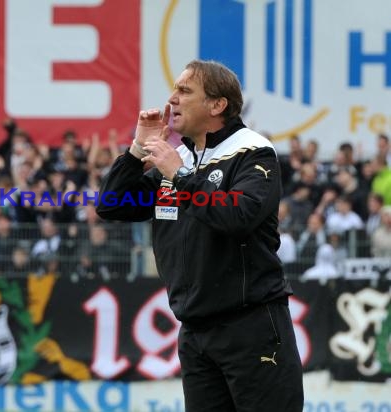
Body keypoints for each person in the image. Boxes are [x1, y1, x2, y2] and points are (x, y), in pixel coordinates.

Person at [96, 59, 303, 411]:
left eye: (184, 91)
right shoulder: (177, 159)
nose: (172, 99)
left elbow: (238, 215)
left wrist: (179, 177)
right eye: (175, 89)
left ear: (217, 105)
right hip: (195, 333)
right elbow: (112, 206)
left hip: (250, 326)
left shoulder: (253, 152)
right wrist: (135, 152)